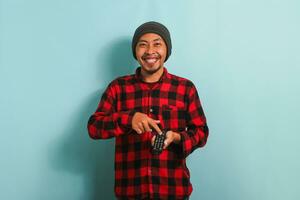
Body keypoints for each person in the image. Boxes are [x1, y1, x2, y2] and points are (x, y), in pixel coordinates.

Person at [87, 21, 209, 200]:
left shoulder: (185, 88)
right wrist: (128, 119)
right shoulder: (117, 88)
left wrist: (176, 137)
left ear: (166, 50)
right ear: (135, 51)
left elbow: (201, 132)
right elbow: (94, 128)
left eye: (157, 43)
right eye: (142, 44)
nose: (150, 50)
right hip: (130, 192)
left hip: (173, 191)